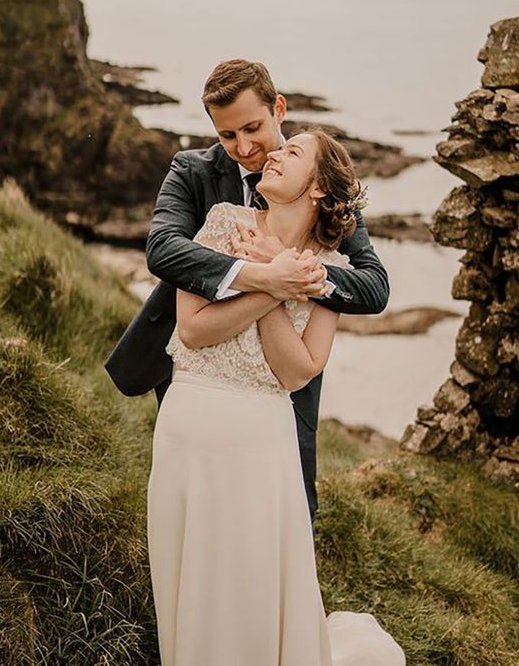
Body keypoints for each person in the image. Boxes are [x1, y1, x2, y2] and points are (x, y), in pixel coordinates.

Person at [147, 127, 406, 665]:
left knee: (253, 581)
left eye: (292, 152)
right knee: (191, 579)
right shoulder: (223, 221)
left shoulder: (331, 270)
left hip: (264, 442)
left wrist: (279, 283)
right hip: (190, 426)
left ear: (317, 189)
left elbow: (297, 372)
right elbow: (192, 330)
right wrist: (271, 280)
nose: (273, 153)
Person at [104, 60, 389, 527]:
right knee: (200, 512)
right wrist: (260, 275)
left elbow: (373, 286)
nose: (245, 147)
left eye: (253, 128)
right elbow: (163, 251)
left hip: (280, 387)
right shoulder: (193, 172)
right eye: (228, 136)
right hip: (199, 377)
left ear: (279, 108)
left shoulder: (324, 187)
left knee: (286, 515)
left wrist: (301, 271)